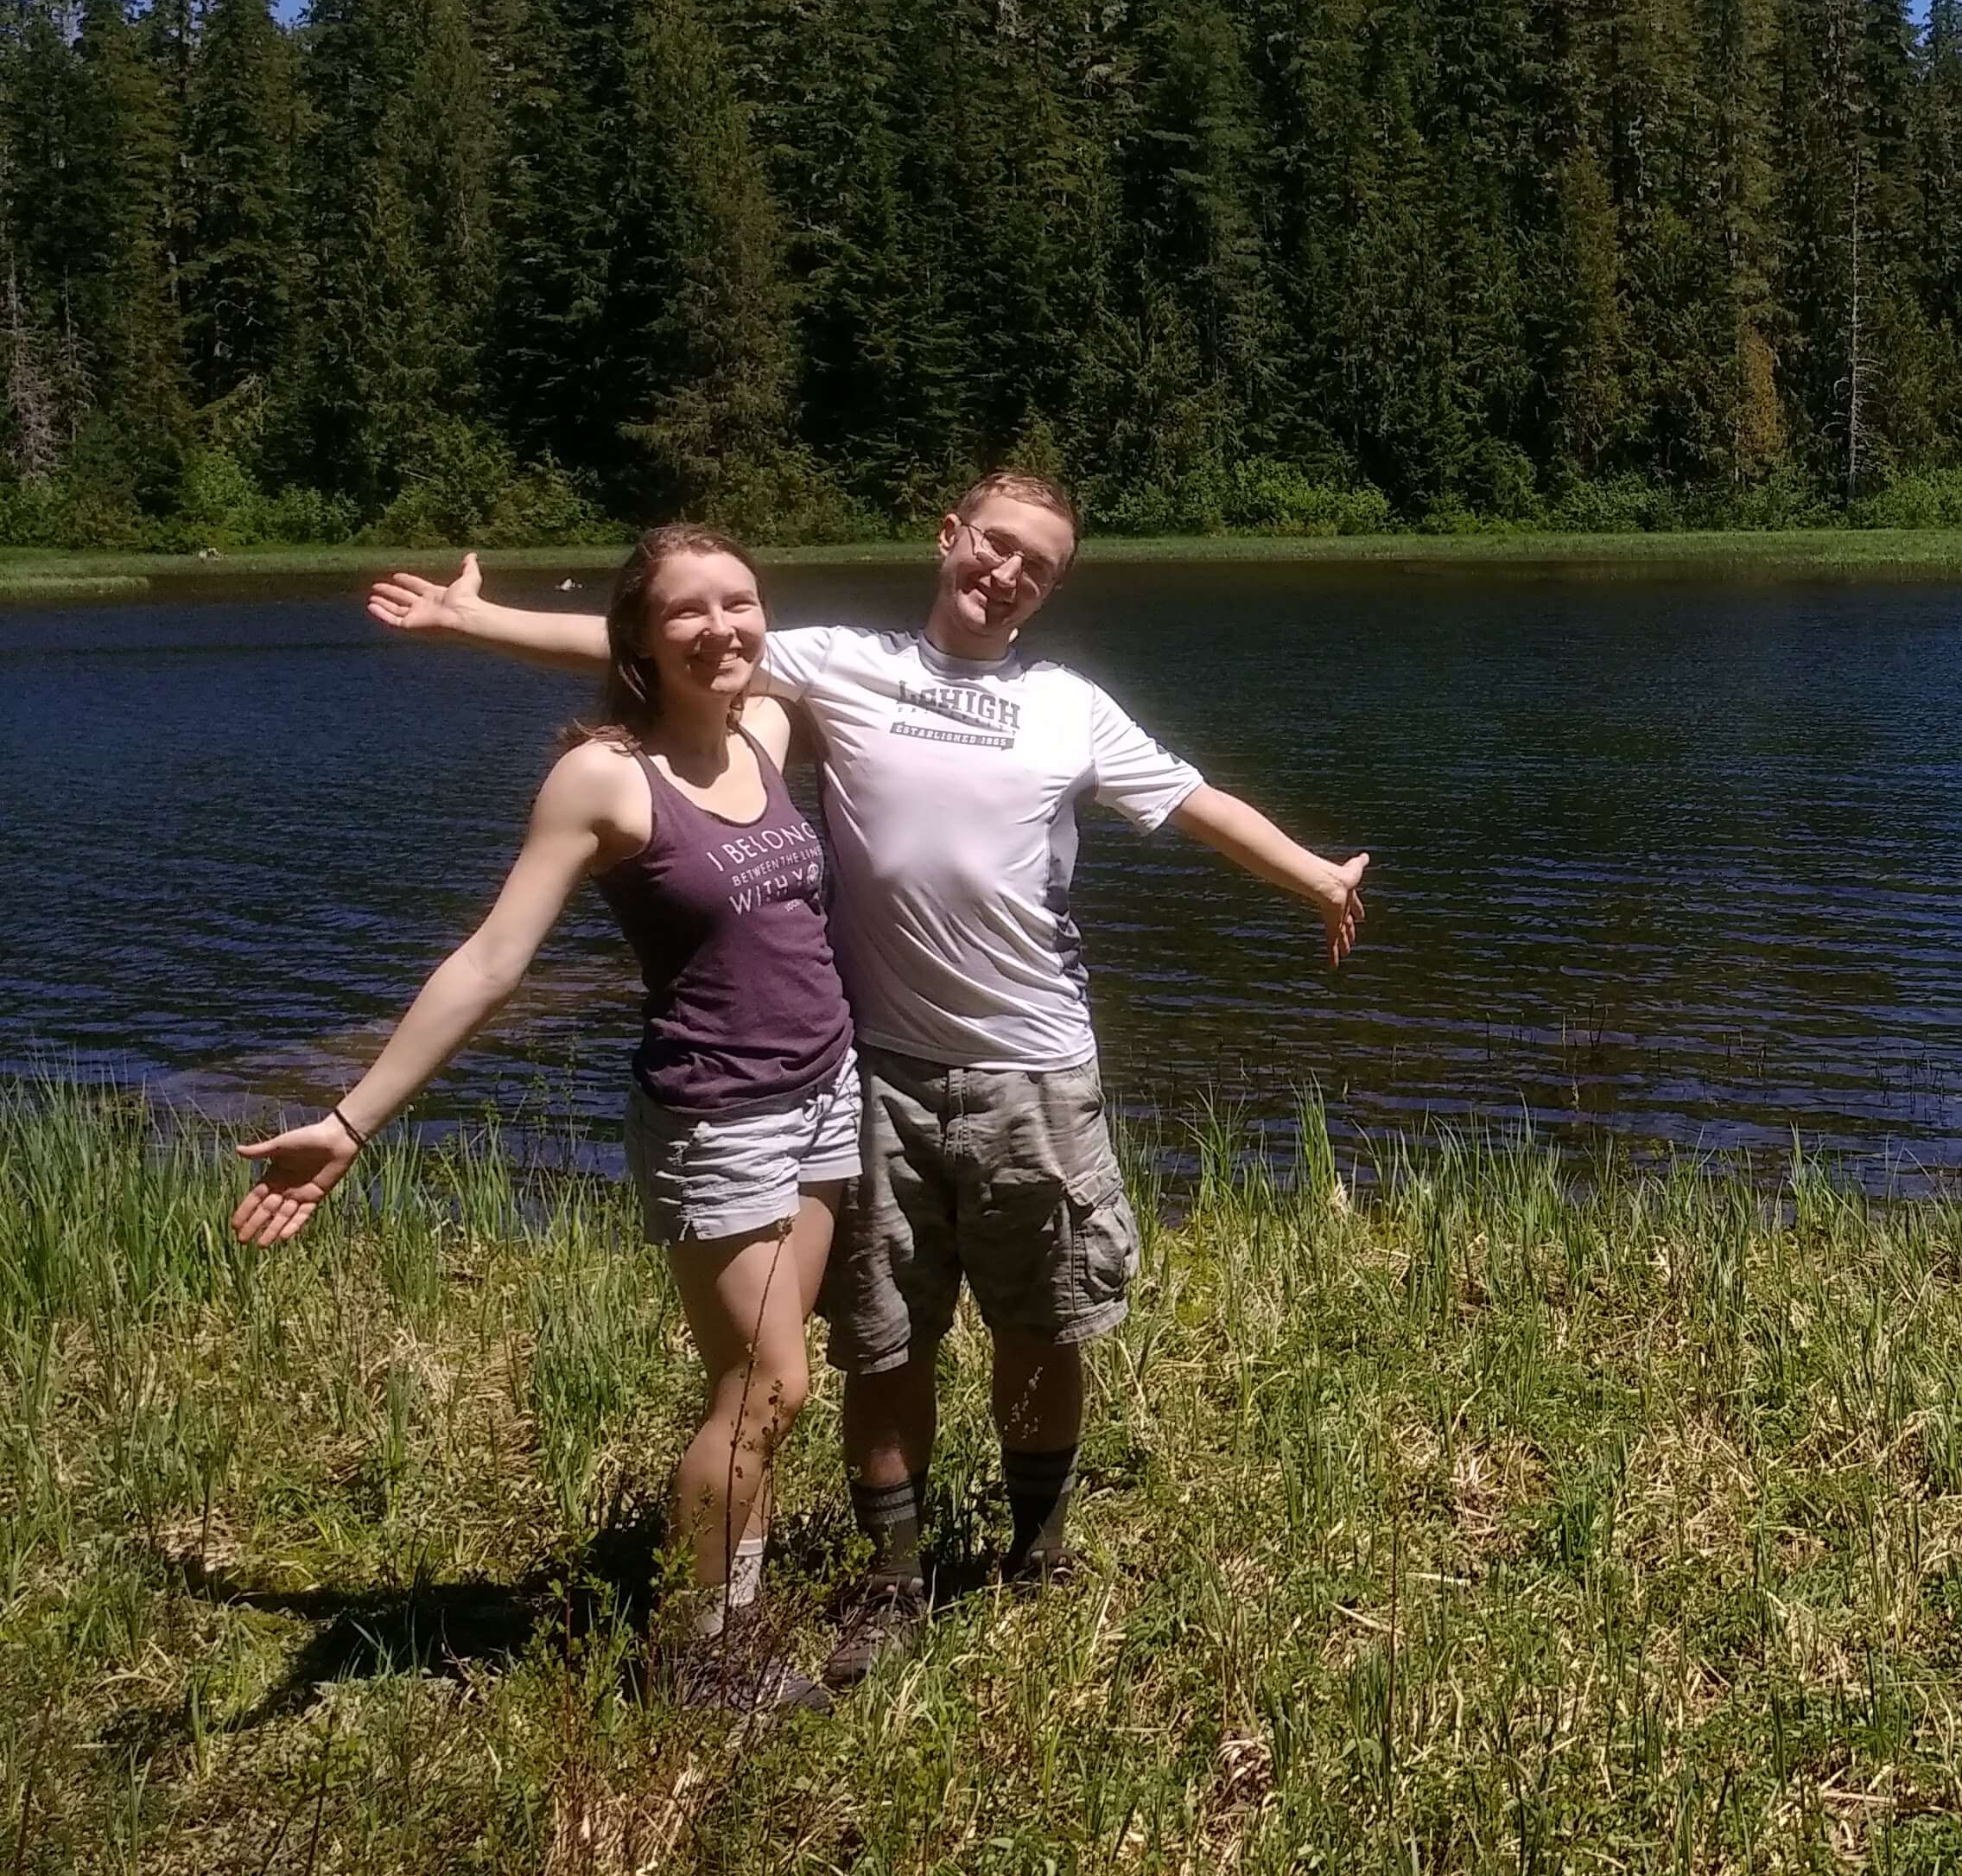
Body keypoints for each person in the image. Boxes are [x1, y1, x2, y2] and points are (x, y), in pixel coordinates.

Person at [367, 469, 1367, 1689]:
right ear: (950, 540)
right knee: (885, 1339)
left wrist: (1314, 873)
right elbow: (664, 645)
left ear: (1049, 589)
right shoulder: (840, 665)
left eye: (1036, 565)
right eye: (993, 545)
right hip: (874, 1073)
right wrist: (476, 621)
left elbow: (1195, 801)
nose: (1006, 572)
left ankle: (1036, 1549)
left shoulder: (1069, 707)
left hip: (1036, 1070)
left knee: (1042, 1325)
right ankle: (890, 1579)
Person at [238, 525, 855, 1714]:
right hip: (717, 1117)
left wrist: (476, 620)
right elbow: (490, 962)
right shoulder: (604, 778)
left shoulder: (766, 729)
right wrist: (352, 1123)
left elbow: (634, 638)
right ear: (643, 638)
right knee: (769, 1388)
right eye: (689, 611)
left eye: (741, 601)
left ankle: (732, 1623)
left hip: (826, 1097)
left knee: (765, 1386)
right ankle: (697, 1654)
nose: (722, 626)